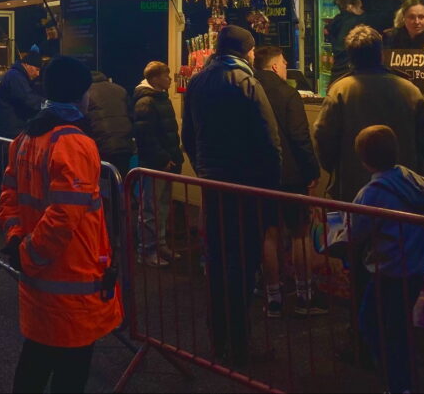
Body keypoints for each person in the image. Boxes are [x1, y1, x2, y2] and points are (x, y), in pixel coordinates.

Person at [0, 56, 123, 394]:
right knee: (70, 372)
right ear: (81, 94)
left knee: (35, 361)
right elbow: (64, 216)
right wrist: (32, 254)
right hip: (70, 278)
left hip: (37, 281)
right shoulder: (75, 143)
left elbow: (9, 196)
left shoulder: (26, 138)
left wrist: (17, 242)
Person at [181, 25, 281, 364]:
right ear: (246, 51)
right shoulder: (247, 82)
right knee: (242, 265)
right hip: (244, 186)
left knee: (217, 262)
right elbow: (269, 140)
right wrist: (270, 186)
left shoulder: (197, 82)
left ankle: (217, 339)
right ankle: (240, 345)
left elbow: (189, 136)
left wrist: (204, 170)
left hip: (213, 185)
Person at [350, 125, 424, 394]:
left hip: (388, 269)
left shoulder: (372, 192)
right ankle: (405, 376)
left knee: (372, 323)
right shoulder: (416, 181)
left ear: (364, 160)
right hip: (416, 266)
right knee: (399, 325)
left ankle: (398, 382)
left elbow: (356, 231)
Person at [313, 25, 424, 204]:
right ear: (381, 54)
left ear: (351, 57)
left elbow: (323, 138)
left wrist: (338, 169)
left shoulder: (340, 91)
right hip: (403, 191)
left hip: (352, 190)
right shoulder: (409, 90)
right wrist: (417, 171)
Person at [252, 46, 324, 317]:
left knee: (269, 233)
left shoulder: (247, 90)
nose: (285, 67)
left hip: (261, 173)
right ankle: (305, 295)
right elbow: (300, 137)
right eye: (283, 62)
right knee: (299, 233)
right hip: (291, 174)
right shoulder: (287, 93)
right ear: (274, 66)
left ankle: (273, 297)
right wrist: (312, 170)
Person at [132, 61, 184, 268]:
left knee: (161, 206)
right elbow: (146, 135)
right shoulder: (146, 101)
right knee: (150, 208)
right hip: (155, 163)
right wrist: (163, 158)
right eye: (165, 76)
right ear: (154, 79)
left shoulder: (159, 97)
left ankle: (159, 244)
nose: (170, 79)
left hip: (165, 162)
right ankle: (146, 250)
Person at [85, 69, 135, 178]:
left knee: (103, 181)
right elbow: (131, 116)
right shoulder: (120, 89)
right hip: (124, 144)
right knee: (121, 180)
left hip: (100, 146)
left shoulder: (86, 93)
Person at [0, 51, 44, 142]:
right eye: (37, 69)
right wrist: (47, 104)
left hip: (9, 130)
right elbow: (28, 99)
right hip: (7, 133)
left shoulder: (17, 75)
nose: (38, 74)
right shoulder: (15, 76)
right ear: (27, 65)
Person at [326, 0, 367, 85]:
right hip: (349, 70)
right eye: (359, 7)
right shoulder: (355, 21)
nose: (362, 11)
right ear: (350, 7)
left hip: (336, 69)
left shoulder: (336, 21)